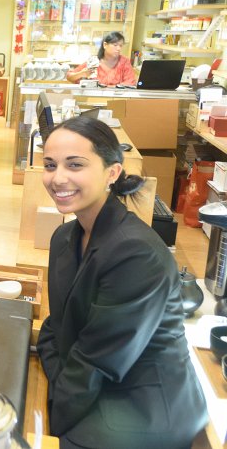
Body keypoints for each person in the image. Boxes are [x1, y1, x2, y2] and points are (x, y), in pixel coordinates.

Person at [36, 116, 207, 449]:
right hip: (88, 377)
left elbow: (97, 362)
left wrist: (51, 420)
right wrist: (60, 375)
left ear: (112, 172)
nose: (58, 178)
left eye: (75, 165)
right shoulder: (63, 237)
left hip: (144, 402)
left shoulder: (135, 252)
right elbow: (54, 328)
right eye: (49, 164)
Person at [65, 31, 137, 86]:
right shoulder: (94, 61)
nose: (118, 48)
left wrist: (107, 88)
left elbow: (130, 82)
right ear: (105, 45)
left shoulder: (124, 61)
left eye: (120, 46)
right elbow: (69, 77)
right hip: (94, 99)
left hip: (117, 100)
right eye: (115, 45)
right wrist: (81, 74)